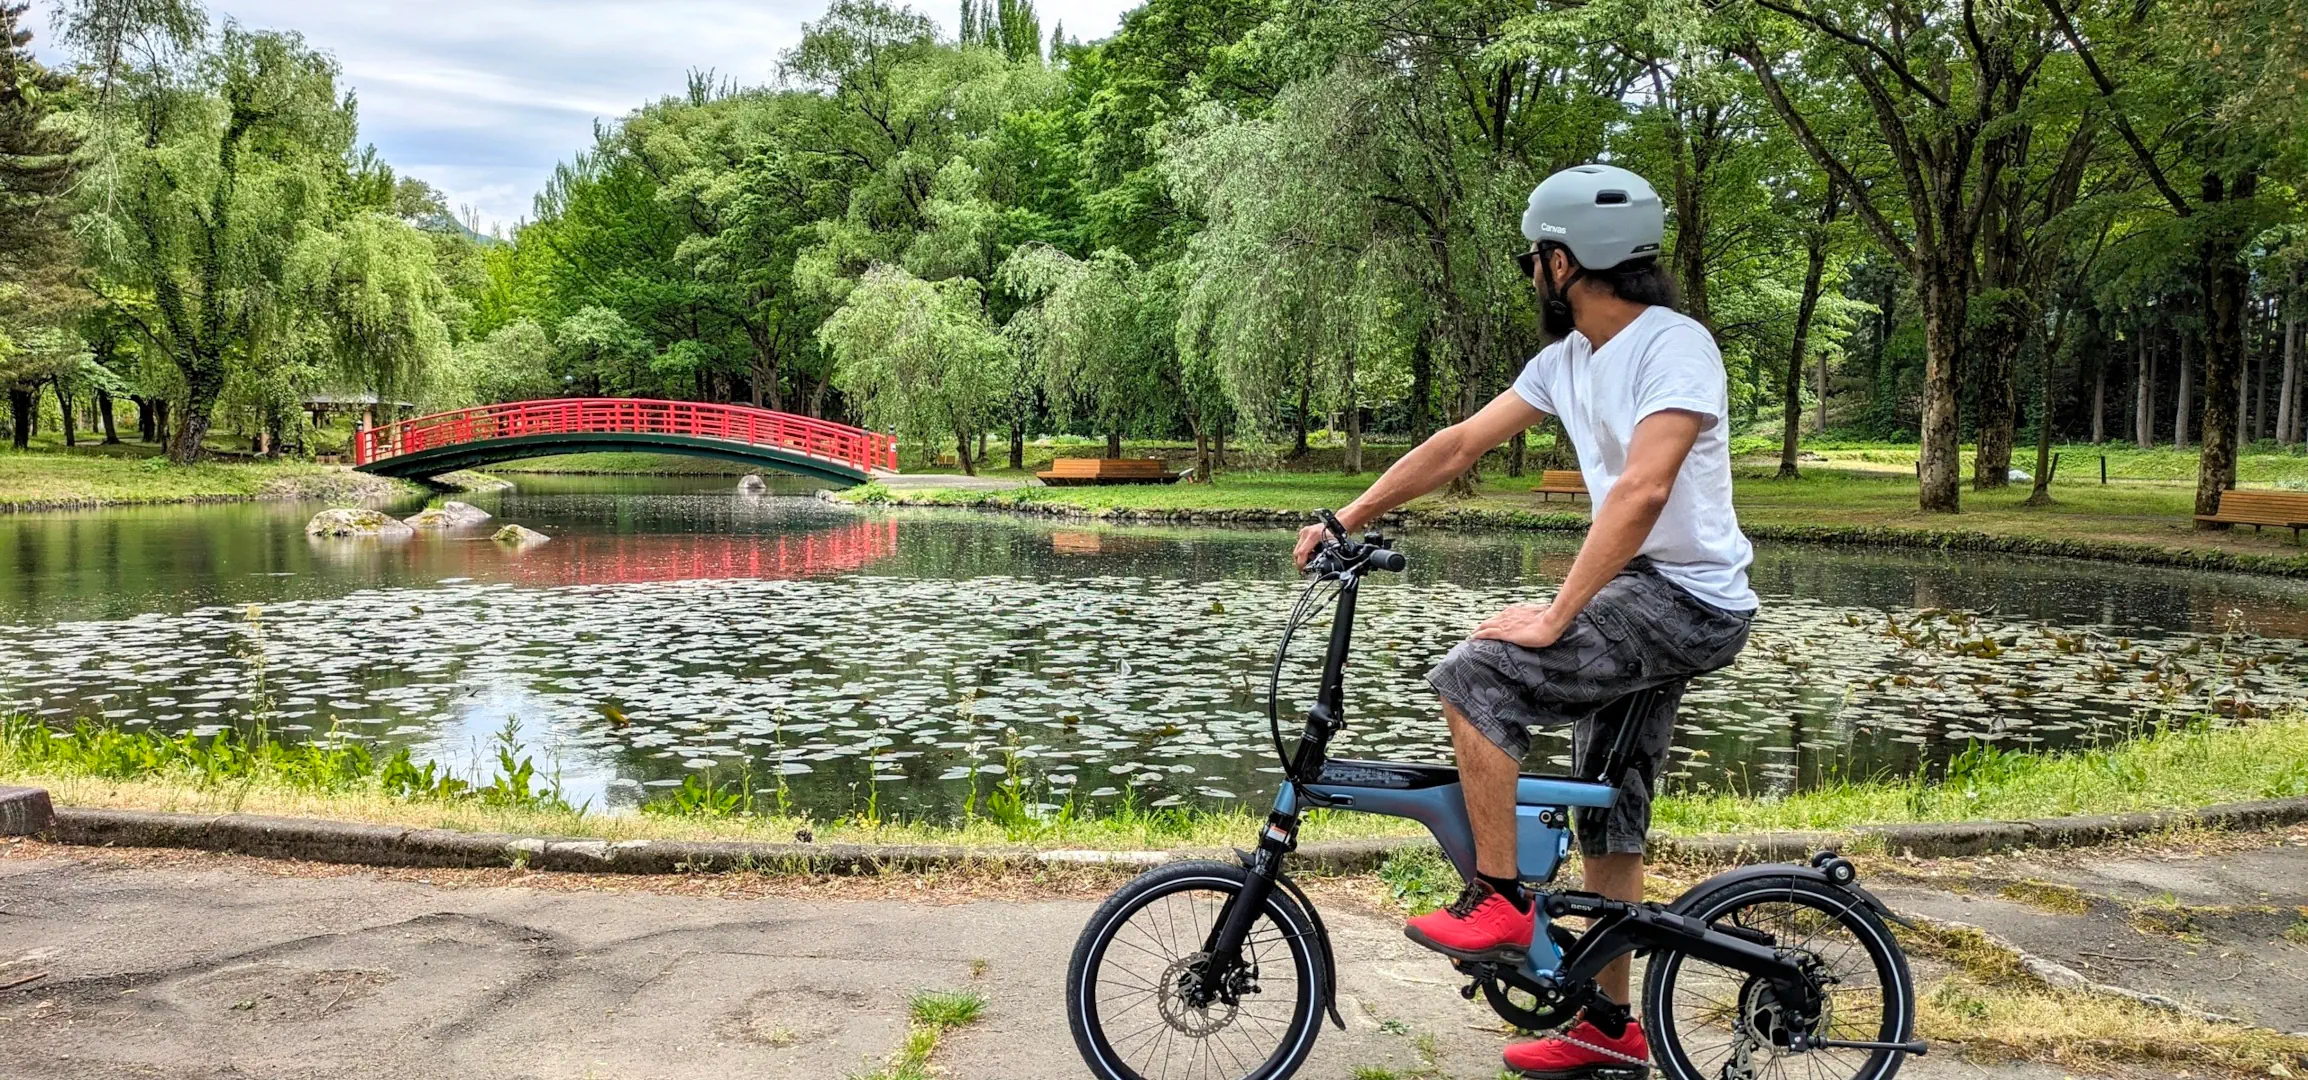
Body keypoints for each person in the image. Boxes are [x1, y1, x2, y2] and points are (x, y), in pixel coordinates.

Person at [1292, 163, 1756, 1079]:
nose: (1532, 276)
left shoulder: (1676, 347)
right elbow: (1459, 445)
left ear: (1565, 259)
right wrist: (1348, 517)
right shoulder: (1567, 360)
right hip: (1647, 597)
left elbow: (1643, 489)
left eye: (1533, 260)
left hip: (1687, 600)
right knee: (1610, 820)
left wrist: (1557, 613)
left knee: (1476, 673)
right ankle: (1608, 1027)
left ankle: (1497, 898)